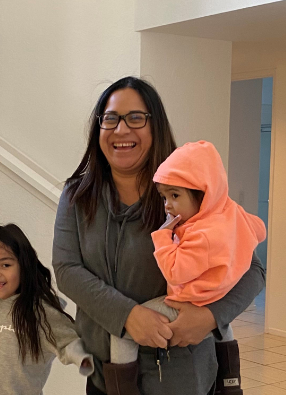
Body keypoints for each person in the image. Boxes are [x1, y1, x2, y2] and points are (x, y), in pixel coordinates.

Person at [52, 76, 266, 395]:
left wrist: (210, 316)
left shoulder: (187, 193)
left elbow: (252, 270)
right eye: (110, 119)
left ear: (156, 126)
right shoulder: (77, 195)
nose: (122, 130)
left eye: (136, 118)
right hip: (109, 373)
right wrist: (129, 316)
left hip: (185, 374)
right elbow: (68, 271)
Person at [107, 140, 267, 395]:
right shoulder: (229, 212)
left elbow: (175, 271)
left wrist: (162, 237)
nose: (168, 205)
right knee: (222, 326)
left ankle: (121, 390)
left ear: (203, 194)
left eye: (175, 196)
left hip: (188, 300)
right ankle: (231, 382)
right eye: (164, 197)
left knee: (121, 332)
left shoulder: (200, 234)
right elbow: (258, 229)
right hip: (217, 297)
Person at [0, 224, 93, 394]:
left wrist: (84, 360)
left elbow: (68, 341)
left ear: (24, 265)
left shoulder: (39, 311)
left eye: (5, 265)